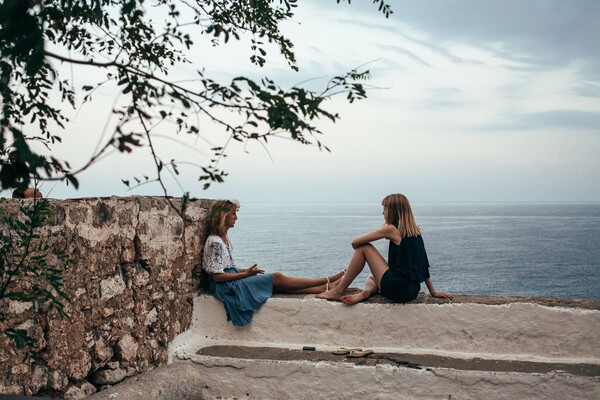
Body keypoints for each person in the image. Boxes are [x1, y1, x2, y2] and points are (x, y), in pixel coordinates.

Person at [202, 199, 346, 326]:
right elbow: (217, 276)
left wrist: (245, 271)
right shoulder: (215, 242)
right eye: (233, 214)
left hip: (230, 283)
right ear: (223, 216)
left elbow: (227, 268)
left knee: (276, 285)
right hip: (226, 287)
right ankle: (329, 279)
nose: (236, 218)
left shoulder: (223, 239)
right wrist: (245, 274)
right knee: (277, 278)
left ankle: (326, 287)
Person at [317, 193, 453, 305]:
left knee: (364, 248)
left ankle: (339, 290)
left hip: (397, 289)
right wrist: (433, 292)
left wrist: (381, 231)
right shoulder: (415, 232)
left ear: (394, 210)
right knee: (372, 277)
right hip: (412, 291)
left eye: (385, 208)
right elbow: (423, 266)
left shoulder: (391, 229)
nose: (383, 212)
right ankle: (365, 293)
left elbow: (355, 243)